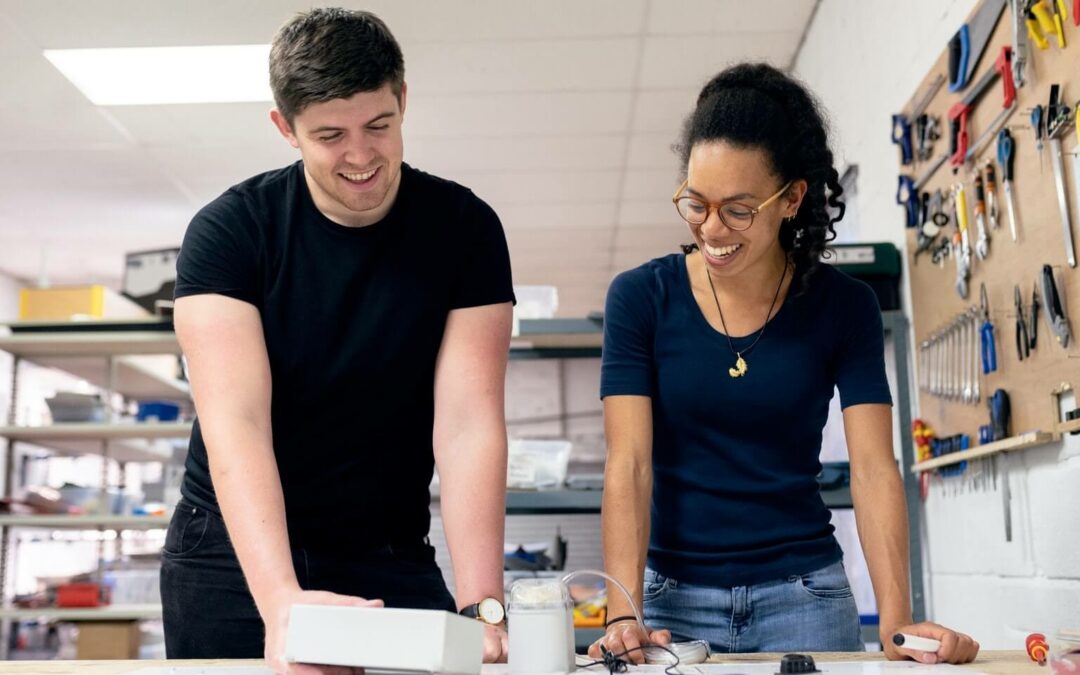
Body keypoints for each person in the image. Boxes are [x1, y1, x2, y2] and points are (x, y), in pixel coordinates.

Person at [590, 63, 979, 665]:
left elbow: (875, 469)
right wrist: (623, 613)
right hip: (671, 604)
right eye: (696, 202)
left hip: (806, 597)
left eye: (739, 209)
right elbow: (630, 464)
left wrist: (897, 620)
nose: (711, 228)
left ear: (792, 198)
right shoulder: (641, 298)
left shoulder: (843, 306)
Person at [163, 8, 514, 672]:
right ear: (285, 128)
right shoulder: (230, 234)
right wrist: (281, 602)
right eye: (330, 134)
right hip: (234, 557)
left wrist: (481, 605)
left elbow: (468, 423)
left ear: (403, 101)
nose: (361, 156)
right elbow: (235, 422)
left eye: (379, 125)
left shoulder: (465, 230)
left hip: (386, 546)